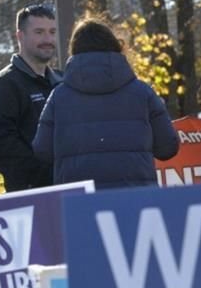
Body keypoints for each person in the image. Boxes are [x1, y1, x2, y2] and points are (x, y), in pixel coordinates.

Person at [32, 16, 179, 188]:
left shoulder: (58, 97)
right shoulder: (143, 92)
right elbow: (168, 147)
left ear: (74, 51)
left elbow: (42, 150)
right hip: (136, 198)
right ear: (115, 46)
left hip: (79, 199)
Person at [0, 2, 62, 191]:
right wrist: (51, 173)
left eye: (52, 32)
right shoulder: (3, 87)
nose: (47, 39)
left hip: (69, 189)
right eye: (39, 32)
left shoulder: (63, 81)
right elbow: (6, 148)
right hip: (31, 196)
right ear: (20, 36)